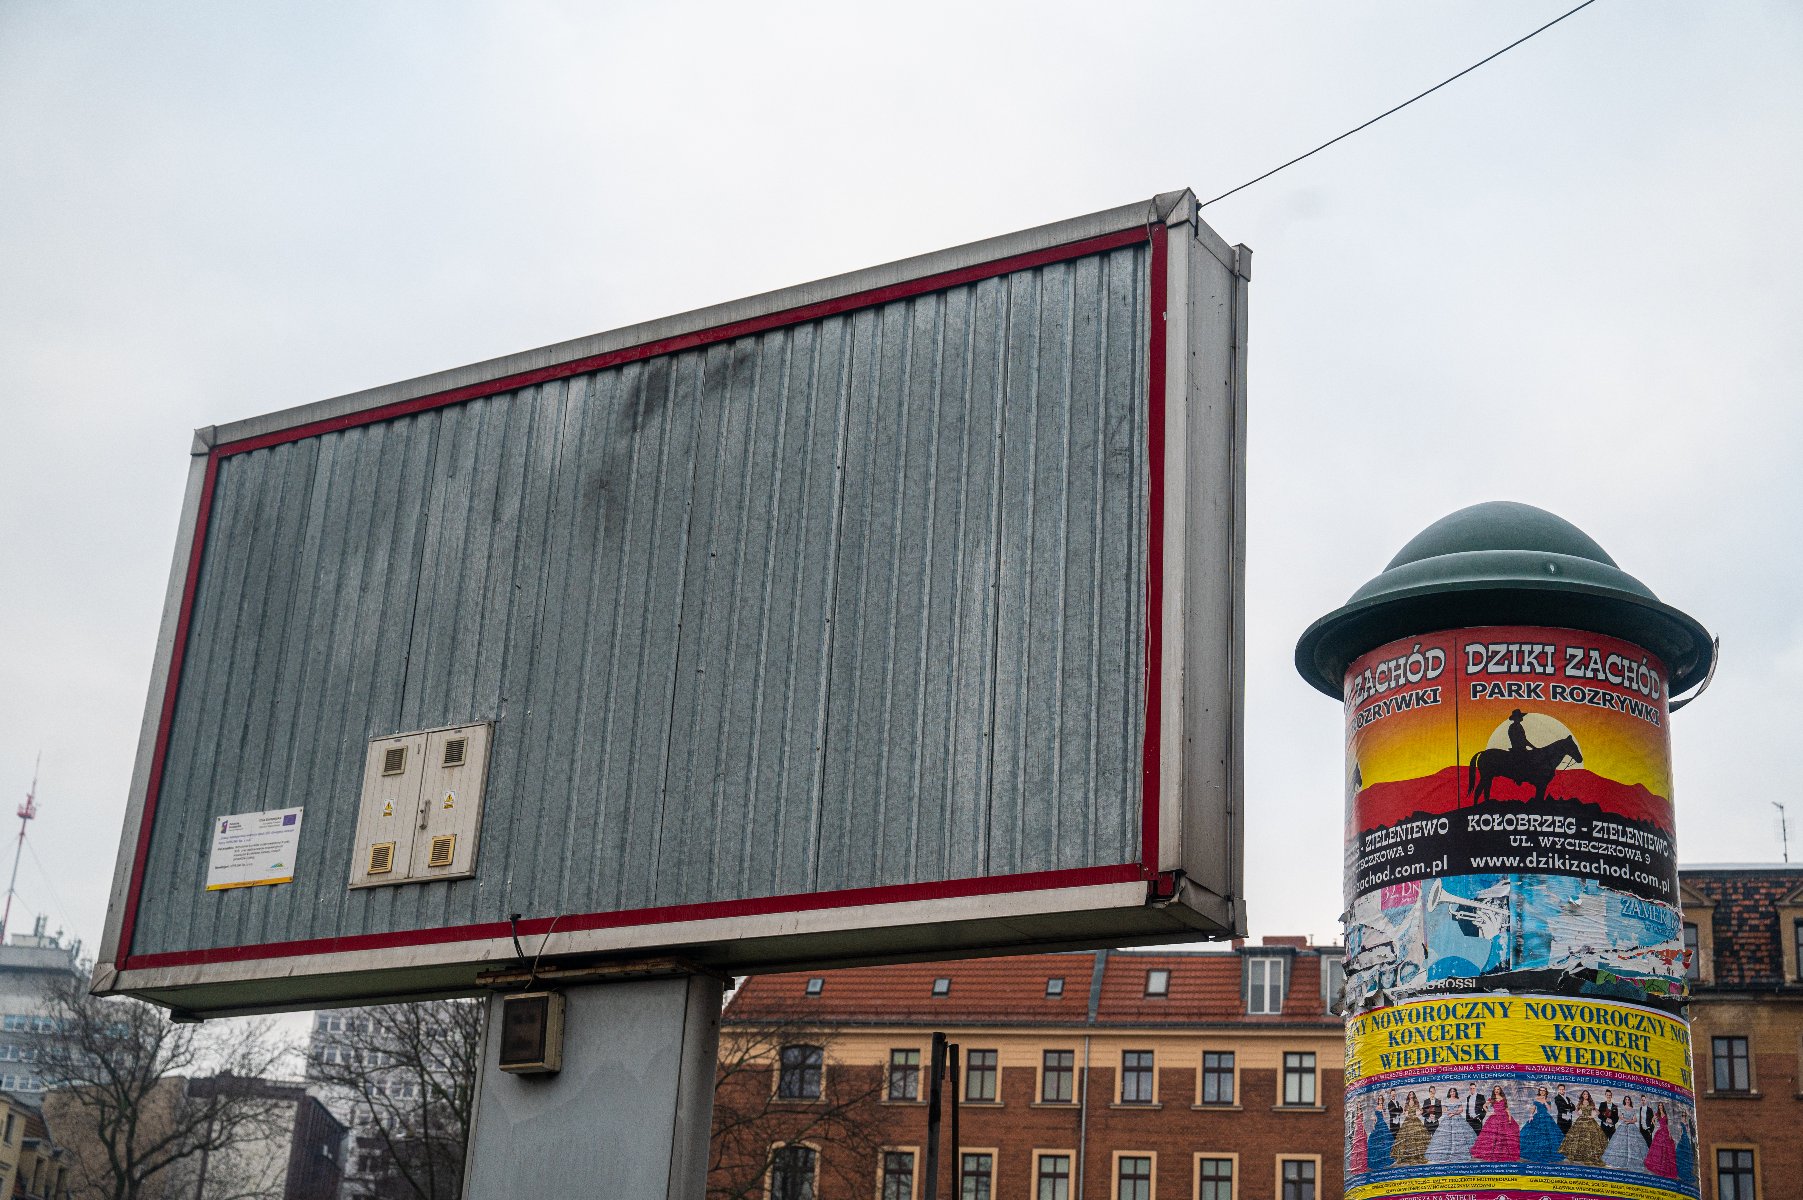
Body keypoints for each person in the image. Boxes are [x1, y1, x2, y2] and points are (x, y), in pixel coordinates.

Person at [1471, 1085, 1521, 1161]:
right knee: (1493, 1135)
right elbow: (1484, 1106)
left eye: (1498, 1089)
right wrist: (1489, 1112)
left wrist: (1509, 1118)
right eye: (1495, 1089)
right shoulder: (1492, 1099)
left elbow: (1507, 1109)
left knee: (1506, 1135)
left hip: (1504, 1117)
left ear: (1500, 1090)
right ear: (1494, 1091)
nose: (1496, 1091)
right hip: (1495, 1118)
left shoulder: (1503, 1098)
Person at [1427, 1087, 1478, 1162]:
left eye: (1454, 1091)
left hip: (1457, 1118)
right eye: (1451, 1091)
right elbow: (1444, 1110)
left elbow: (1461, 1110)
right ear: (1449, 1093)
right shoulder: (1446, 1100)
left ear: (1455, 1092)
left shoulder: (1458, 1100)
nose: (1452, 1093)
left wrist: (1454, 1113)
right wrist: (1450, 1113)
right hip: (1448, 1118)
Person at [1559, 1091, 1608, 1167]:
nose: (1586, 1095)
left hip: (1590, 1121)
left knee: (1591, 1138)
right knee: (1579, 1138)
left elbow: (1598, 1112)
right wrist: (1580, 1115)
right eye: (1584, 1094)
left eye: (1587, 1094)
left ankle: (1590, 1156)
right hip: (1581, 1121)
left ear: (1588, 1095)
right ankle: (1579, 1156)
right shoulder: (1580, 1103)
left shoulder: (1591, 1103)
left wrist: (1592, 1116)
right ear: (1582, 1095)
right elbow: (1576, 1111)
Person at [1519, 1085, 1564, 1164]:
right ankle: (1535, 1151)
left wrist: (1545, 1101)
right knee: (1534, 1134)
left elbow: (1549, 1109)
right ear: (1539, 1091)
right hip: (1537, 1117)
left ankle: (1547, 1152)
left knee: (1548, 1135)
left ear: (1546, 1092)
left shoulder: (1548, 1099)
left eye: (1543, 1090)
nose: (1542, 1092)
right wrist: (1531, 1116)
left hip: (1546, 1117)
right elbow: (1533, 1108)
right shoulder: (1536, 1098)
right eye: (1541, 1090)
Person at [1604, 1096, 1645, 1169]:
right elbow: (1620, 1117)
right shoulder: (1622, 1108)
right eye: (1626, 1099)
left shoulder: (1633, 1109)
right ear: (1624, 1101)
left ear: (1630, 1100)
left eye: (1628, 1099)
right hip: (1623, 1126)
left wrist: (1629, 1121)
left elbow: (1635, 1120)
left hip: (1631, 1126)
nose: (1627, 1100)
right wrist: (1627, 1121)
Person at [1393, 1092, 1432, 1166]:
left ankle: (1418, 1155)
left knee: (1418, 1137)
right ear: (1408, 1096)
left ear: (1414, 1095)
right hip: (1408, 1120)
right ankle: (1407, 1155)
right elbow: (1404, 1112)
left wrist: (1417, 1114)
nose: (1411, 1096)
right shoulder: (1407, 1103)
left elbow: (1421, 1110)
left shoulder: (1416, 1102)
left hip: (1415, 1120)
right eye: (1410, 1094)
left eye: (1412, 1094)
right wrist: (1406, 1114)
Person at [1644, 1105, 1679, 1178]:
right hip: (1660, 1131)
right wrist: (1656, 1126)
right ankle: (1659, 1164)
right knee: (1659, 1148)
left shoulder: (1665, 1114)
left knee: (1667, 1147)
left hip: (1666, 1131)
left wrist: (1669, 1133)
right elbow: (1652, 1120)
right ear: (1658, 1107)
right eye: (1659, 1105)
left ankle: (1665, 1165)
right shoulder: (1657, 1114)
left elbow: (1667, 1125)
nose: (1660, 1106)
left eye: (1661, 1105)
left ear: (1663, 1106)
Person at [1349, 1100, 1370, 1174]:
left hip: (1362, 1129)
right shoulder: (1354, 1113)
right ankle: (1356, 1165)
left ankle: (1362, 1165)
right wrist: (1354, 1132)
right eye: (1358, 1104)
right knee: (1357, 1147)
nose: (1359, 1105)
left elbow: (1363, 1121)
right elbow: (1353, 1123)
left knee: (1363, 1147)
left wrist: (1364, 1130)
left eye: (1360, 1104)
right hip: (1357, 1130)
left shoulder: (1362, 1112)